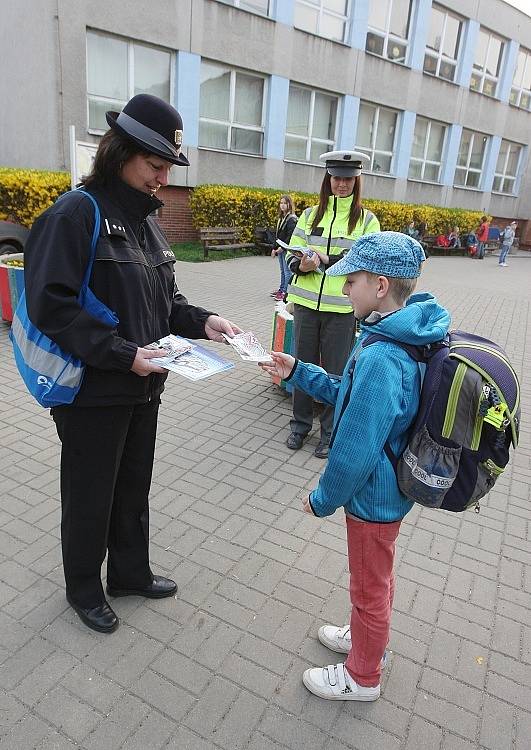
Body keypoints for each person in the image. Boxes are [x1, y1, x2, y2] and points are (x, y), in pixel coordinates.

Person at [23, 94, 242, 634]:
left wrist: (203, 321)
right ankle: (83, 587)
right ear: (120, 152)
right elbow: (52, 304)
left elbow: (161, 303)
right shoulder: (77, 214)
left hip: (146, 385)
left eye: (167, 167)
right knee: (90, 493)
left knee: (132, 486)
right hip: (94, 389)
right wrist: (124, 355)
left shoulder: (147, 223)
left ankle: (129, 573)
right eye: (155, 165)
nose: (161, 178)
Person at [260, 231, 450, 701]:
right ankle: (368, 638)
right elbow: (350, 391)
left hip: (373, 494)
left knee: (368, 586)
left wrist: (322, 499)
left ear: (380, 285)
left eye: (353, 281)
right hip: (389, 486)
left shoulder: (384, 355)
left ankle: (363, 675)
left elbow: (354, 446)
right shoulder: (401, 333)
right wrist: (298, 371)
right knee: (376, 579)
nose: (345, 289)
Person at [285, 150, 380, 458]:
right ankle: (299, 425)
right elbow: (290, 256)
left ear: (357, 181)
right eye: (337, 178)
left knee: (334, 373)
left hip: (342, 309)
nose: (342, 184)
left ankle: (329, 432)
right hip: (306, 305)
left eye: (348, 179)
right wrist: (302, 265)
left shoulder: (366, 220)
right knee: (300, 365)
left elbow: (368, 263)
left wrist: (326, 261)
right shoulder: (311, 215)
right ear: (328, 179)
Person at [270, 195, 298, 301]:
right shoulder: (282, 218)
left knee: (287, 271)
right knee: (282, 270)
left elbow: (290, 236)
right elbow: (279, 235)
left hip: (286, 249)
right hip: (281, 248)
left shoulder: (292, 219)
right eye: (281, 203)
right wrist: (274, 248)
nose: (282, 205)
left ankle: (286, 292)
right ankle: (281, 289)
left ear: (289, 204)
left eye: (285, 203)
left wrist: (282, 247)